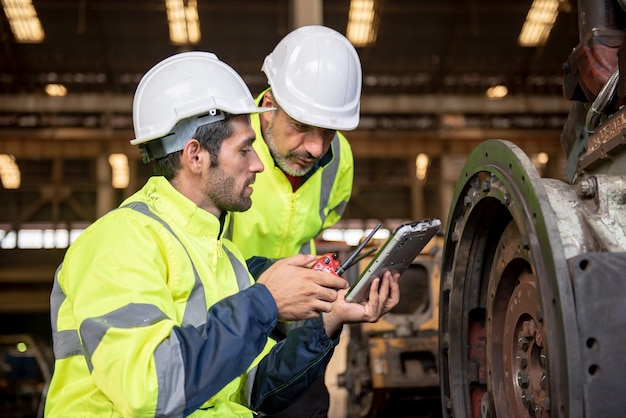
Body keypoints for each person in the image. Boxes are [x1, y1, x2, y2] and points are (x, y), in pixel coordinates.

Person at [44, 51, 400, 417]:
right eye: (245, 149)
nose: (259, 163)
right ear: (196, 156)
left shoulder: (225, 259)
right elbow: (153, 390)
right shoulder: (120, 241)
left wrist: (329, 320)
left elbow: (251, 388)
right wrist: (265, 302)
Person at [226, 25, 362, 417]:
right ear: (268, 105)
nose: (316, 148)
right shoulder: (228, 150)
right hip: (231, 310)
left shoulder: (341, 160)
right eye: (301, 126)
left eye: (329, 131)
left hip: (298, 318)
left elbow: (321, 223)